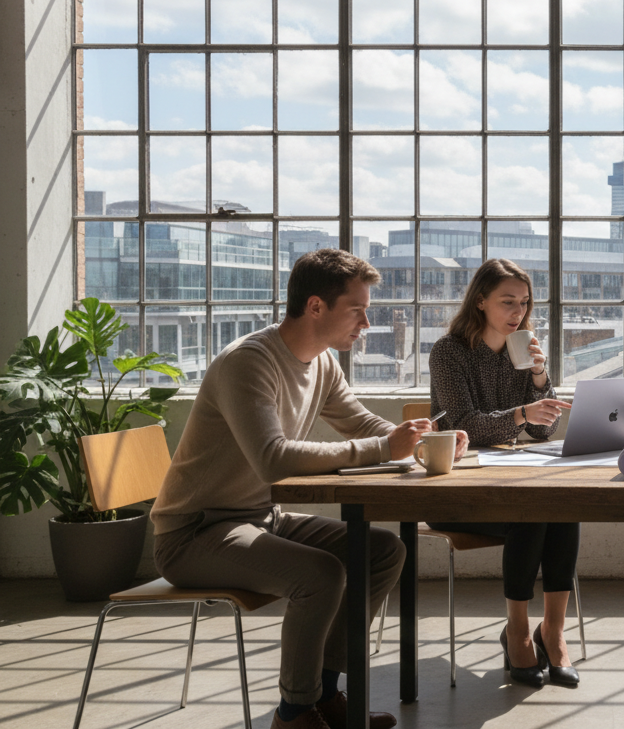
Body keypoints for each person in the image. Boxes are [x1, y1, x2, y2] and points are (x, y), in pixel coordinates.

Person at [152, 248, 466, 729]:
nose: (366, 322)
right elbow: (273, 458)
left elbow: (360, 424)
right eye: (357, 310)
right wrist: (385, 446)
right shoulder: (248, 363)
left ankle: (323, 694)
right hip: (194, 533)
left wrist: (422, 444)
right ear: (316, 306)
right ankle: (293, 712)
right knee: (320, 574)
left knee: (382, 551)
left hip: (260, 518)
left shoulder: (322, 364)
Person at [425, 258, 580, 688]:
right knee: (531, 511)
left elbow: (541, 429)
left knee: (564, 506)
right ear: (480, 301)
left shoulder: (521, 350)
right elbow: (462, 426)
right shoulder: (449, 352)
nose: (518, 312)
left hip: (509, 477)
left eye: (524, 303)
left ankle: (552, 632)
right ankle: (516, 631)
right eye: (507, 302)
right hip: (456, 491)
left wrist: (538, 376)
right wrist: (522, 412)